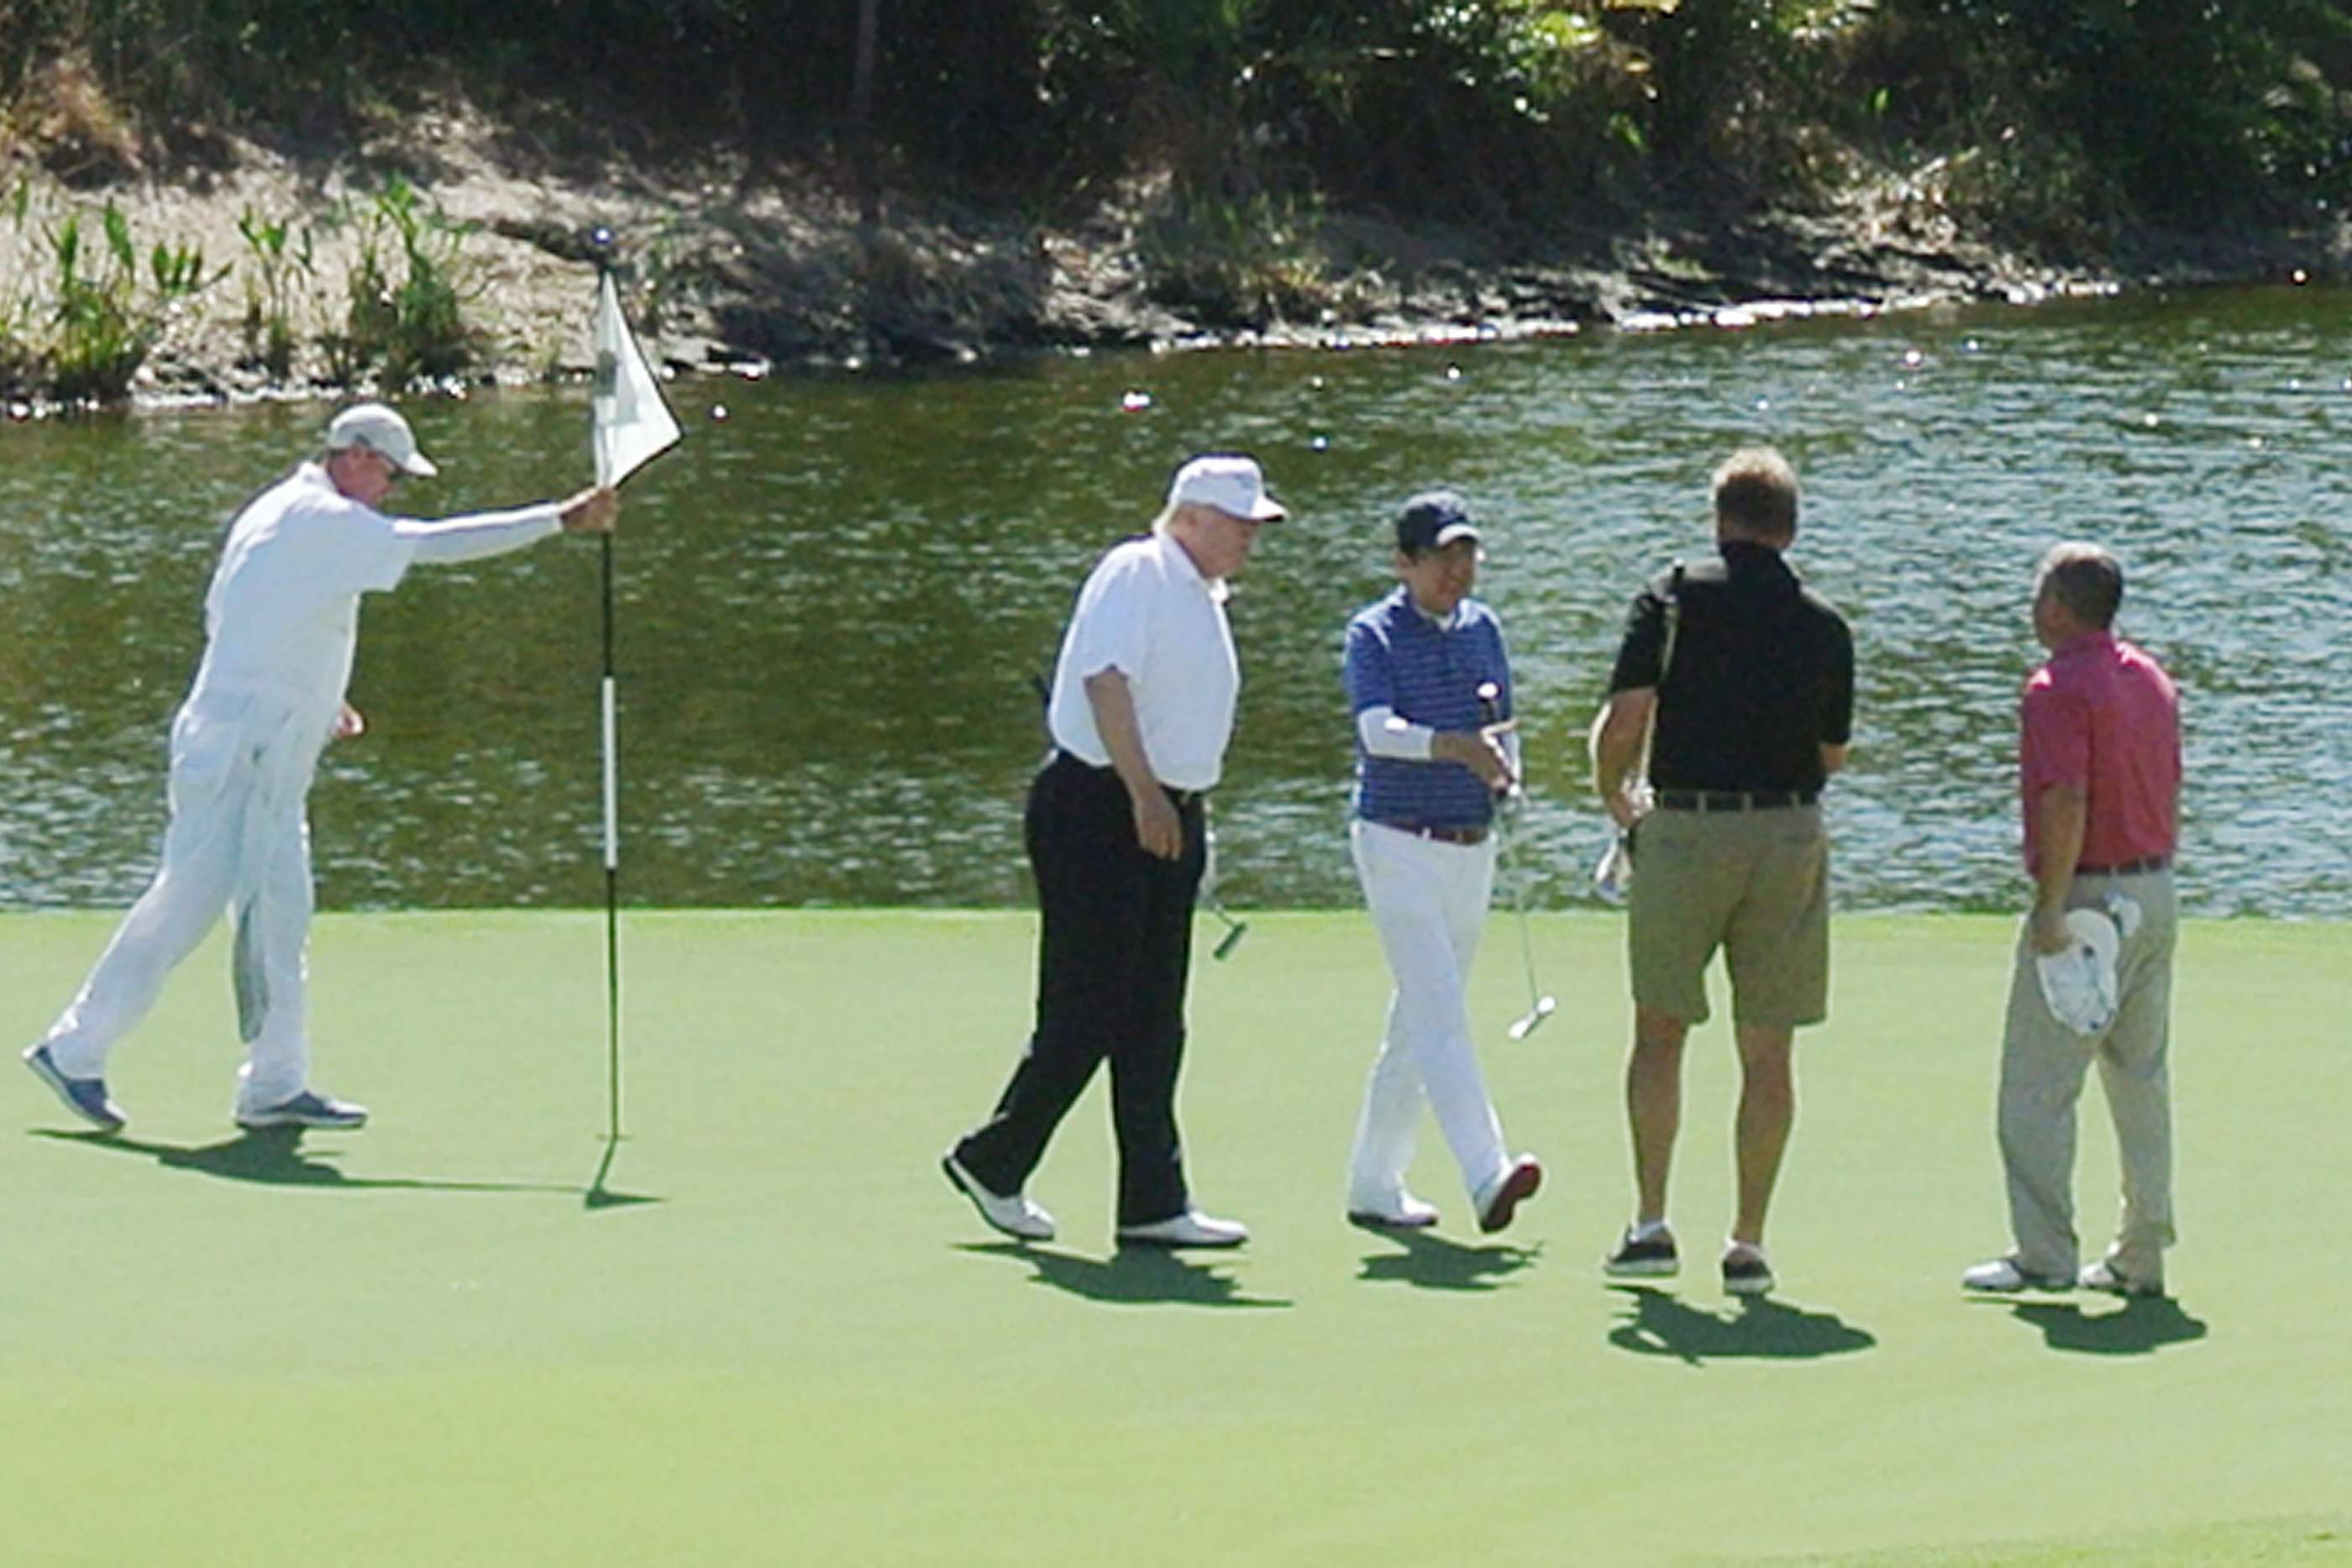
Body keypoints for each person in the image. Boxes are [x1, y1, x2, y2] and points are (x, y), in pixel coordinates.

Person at [23, 402, 619, 1134]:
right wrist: (558, 518)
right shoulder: (321, 519)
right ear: (357, 456)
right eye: (391, 474)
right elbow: (433, 545)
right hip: (242, 748)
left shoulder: (280, 510)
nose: (392, 490)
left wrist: (321, 698)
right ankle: (75, 1047)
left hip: (262, 745)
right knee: (188, 904)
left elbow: (238, 613)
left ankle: (274, 1083)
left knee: (281, 911)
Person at [943, 454, 1284, 1248]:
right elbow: (1104, 682)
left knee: (1154, 1017)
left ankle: (1152, 1202)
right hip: (1100, 807)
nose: (1248, 541)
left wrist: (1181, 805)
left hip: (1165, 811)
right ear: (1192, 517)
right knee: (1089, 1003)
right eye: (1238, 525)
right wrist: (1142, 793)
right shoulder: (1139, 569)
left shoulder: (1201, 591)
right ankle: (994, 1160)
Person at [1588, 446, 1853, 1295]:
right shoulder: (1824, 623)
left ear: (1719, 519)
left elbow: (1627, 717)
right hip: (1785, 836)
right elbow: (1832, 752)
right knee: (1766, 1048)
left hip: (1687, 828)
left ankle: (1651, 1221)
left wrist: (1614, 799)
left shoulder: (1671, 598)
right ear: (1789, 525)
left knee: (1659, 1029)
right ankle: (1746, 1241)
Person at [1963, 543, 2181, 1298]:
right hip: (2155, 890)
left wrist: (2051, 906)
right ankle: (2141, 1250)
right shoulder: (2149, 677)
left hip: (2090, 899)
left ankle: (2045, 1254)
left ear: (2058, 605)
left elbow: (2065, 799)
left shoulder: (2056, 687)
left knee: (2036, 1086)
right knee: (2140, 1077)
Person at [1341, 490, 1542, 1234]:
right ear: (1405, 563)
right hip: (1395, 840)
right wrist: (1452, 746)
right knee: (1441, 1013)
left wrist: (1507, 778)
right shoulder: (1375, 634)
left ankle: (1374, 1181)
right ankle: (1487, 1172)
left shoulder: (1484, 628)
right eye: (1441, 557)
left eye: (1467, 554)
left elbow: (1501, 724)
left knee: (1419, 1019)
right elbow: (1377, 732)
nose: (1457, 570)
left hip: (1469, 842)